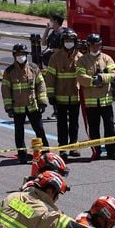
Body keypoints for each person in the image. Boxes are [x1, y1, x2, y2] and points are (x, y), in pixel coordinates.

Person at [2, 43, 49, 164]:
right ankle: (22, 155)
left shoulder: (33, 68)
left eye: (22, 54)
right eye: (18, 54)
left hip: (33, 106)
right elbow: (6, 90)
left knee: (39, 130)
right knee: (19, 132)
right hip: (17, 108)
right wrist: (8, 107)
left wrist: (42, 102)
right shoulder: (9, 71)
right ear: (14, 55)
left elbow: (41, 85)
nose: (20, 56)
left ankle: (46, 153)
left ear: (26, 55)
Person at [76, 33, 115, 160]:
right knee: (94, 129)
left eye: (99, 45)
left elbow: (113, 73)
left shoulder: (107, 58)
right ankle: (96, 151)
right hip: (91, 102)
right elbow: (80, 76)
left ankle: (112, 151)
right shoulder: (82, 60)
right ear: (89, 46)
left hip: (106, 101)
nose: (96, 47)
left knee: (110, 128)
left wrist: (102, 78)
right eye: (94, 45)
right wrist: (92, 81)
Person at [44, 28, 82, 160]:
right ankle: (63, 148)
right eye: (66, 40)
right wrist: (51, 95)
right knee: (61, 124)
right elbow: (50, 78)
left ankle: (73, 147)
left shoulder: (80, 57)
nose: (69, 43)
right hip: (60, 97)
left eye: (71, 40)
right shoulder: (55, 57)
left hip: (76, 97)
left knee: (74, 123)